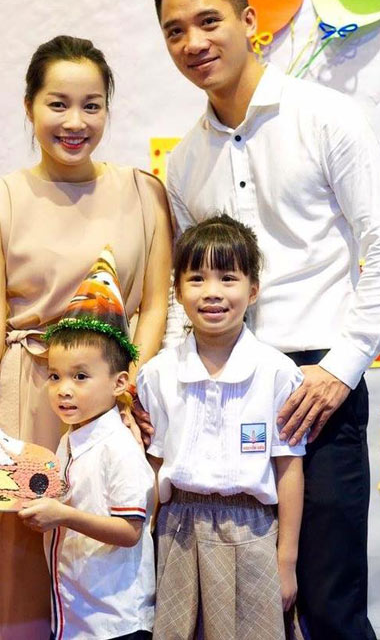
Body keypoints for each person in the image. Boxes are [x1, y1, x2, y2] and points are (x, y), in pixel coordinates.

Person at [151, 0, 380, 639]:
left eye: (208, 21)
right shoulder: (184, 162)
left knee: (328, 607)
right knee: (237, 613)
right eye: (175, 30)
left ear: (249, 21)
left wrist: (341, 369)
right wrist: (167, 389)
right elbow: (186, 293)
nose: (193, 42)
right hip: (222, 393)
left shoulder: (326, 117)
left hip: (315, 388)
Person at [0, 35, 172, 639]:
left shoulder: (144, 193)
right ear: (29, 106)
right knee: (18, 566)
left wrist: (127, 390)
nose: (75, 122)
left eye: (92, 105)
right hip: (26, 398)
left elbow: (154, 308)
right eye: (58, 104)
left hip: (113, 404)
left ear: (108, 109)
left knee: (111, 554)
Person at [137, 214, 305, 639]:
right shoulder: (157, 374)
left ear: (253, 290)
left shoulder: (277, 373)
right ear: (178, 291)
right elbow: (153, 464)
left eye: (228, 278)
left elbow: (289, 468)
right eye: (196, 278)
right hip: (178, 532)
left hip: (253, 533)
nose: (212, 291)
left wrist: (286, 561)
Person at [19, 248, 155, 640]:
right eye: (55, 376)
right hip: (74, 614)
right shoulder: (69, 441)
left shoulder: (119, 447)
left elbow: (129, 530)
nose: (64, 389)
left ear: (119, 383)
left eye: (80, 377)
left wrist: (62, 516)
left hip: (115, 622)